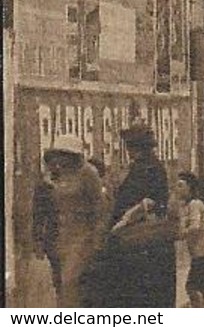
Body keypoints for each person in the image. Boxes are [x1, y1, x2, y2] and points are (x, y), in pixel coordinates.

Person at [99, 123, 176, 307]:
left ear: (137, 147)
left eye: (130, 146)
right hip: (150, 244)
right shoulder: (151, 167)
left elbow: (143, 203)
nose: (128, 150)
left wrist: (118, 224)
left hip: (141, 242)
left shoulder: (145, 169)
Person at [32, 135, 106, 305]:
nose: (60, 159)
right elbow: (45, 207)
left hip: (82, 236)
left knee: (71, 282)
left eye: (64, 154)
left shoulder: (88, 174)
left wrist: (97, 240)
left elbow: (100, 209)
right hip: (60, 237)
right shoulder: (56, 174)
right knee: (61, 285)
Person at [175, 173, 204, 307]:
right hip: (202, 253)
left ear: (190, 188)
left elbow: (195, 226)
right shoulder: (185, 206)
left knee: (191, 288)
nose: (177, 189)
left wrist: (180, 235)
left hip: (203, 253)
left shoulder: (195, 204)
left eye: (181, 185)